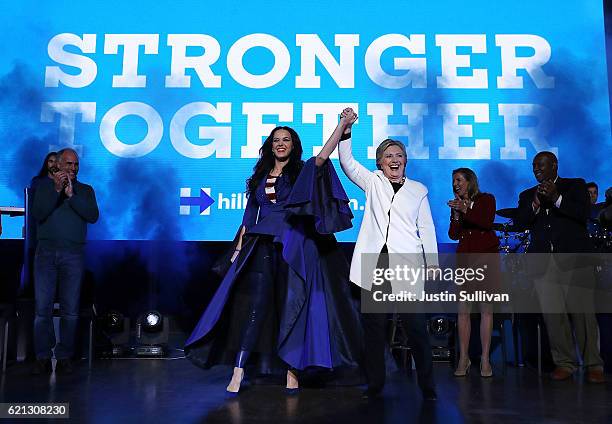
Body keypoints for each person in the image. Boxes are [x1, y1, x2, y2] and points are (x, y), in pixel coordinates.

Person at [185, 116, 362, 395]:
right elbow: (248, 216)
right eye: (276, 140)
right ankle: (238, 371)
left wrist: (342, 127)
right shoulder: (259, 177)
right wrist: (239, 249)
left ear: (293, 146)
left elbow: (323, 157)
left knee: (293, 306)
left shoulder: (301, 172)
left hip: (294, 247)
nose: (281, 144)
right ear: (270, 146)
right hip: (261, 246)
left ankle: (292, 371)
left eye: (286, 140)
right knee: (256, 307)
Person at [336, 108, 438, 400]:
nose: (395, 160)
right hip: (377, 265)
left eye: (399, 155)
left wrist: (431, 264)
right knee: (375, 331)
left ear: (406, 161)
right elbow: (347, 162)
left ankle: (428, 387)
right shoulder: (373, 183)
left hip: (407, 265)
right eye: (388, 156)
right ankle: (375, 384)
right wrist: (346, 129)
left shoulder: (418, 190)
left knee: (416, 329)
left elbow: (426, 228)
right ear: (380, 163)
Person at [514, 151, 604, 383]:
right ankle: (565, 363)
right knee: (554, 317)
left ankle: (593, 364)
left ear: (554, 166)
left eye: (541, 165)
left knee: (584, 315)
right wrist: (535, 202)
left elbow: (582, 214)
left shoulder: (575, 186)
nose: (536, 170)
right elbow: (521, 222)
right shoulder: (527, 195)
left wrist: (556, 199)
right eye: (534, 166)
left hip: (575, 261)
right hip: (544, 263)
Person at [30, 148, 99, 375]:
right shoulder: (42, 187)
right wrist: (57, 190)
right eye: (68, 164)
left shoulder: (85, 190)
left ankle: (65, 355)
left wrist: (71, 195)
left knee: (70, 311)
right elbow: (39, 213)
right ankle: (42, 355)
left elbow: (92, 215)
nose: (73, 168)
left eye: (76, 164)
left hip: (73, 255)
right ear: (57, 165)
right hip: (46, 254)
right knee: (43, 309)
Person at [447, 168, 500, 377]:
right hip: (465, 260)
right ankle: (464, 358)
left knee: (486, 310)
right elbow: (453, 235)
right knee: (463, 311)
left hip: (486, 258)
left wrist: (466, 207)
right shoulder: (457, 205)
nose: (455, 184)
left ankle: (485, 359)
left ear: (470, 181)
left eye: (459, 180)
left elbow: (486, 222)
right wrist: (455, 216)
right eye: (453, 181)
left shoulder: (486, 199)